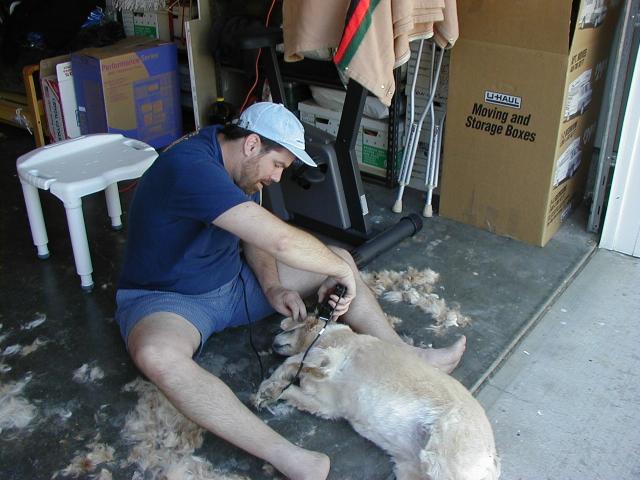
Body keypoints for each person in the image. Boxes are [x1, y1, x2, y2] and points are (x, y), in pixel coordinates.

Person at [115, 102, 466, 480]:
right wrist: (337, 272)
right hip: (170, 300)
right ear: (252, 144)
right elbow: (280, 240)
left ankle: (407, 354)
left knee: (339, 257)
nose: (278, 177)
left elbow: (256, 235)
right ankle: (291, 458)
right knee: (156, 356)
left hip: (232, 283)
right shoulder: (190, 167)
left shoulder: (242, 165)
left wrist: (273, 286)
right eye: (278, 165)